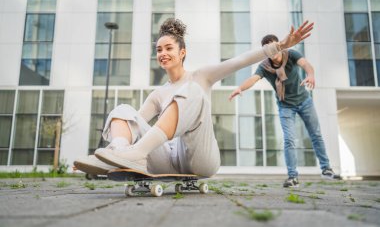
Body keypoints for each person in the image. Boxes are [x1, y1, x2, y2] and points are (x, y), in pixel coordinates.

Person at [74, 18, 313, 178]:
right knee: (124, 110)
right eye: (159, 50)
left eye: (168, 48)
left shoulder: (202, 76)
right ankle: (118, 154)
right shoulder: (158, 94)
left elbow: (239, 61)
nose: (163, 53)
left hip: (201, 158)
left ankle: (130, 155)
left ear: (182, 53)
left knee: (193, 90)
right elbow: (134, 124)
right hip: (168, 159)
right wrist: (116, 147)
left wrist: (279, 46)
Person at [229, 34, 340, 187]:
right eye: (269, 50)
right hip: (285, 106)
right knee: (289, 140)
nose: (273, 53)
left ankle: (326, 169)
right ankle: (292, 177)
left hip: (304, 101)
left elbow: (306, 64)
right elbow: (253, 78)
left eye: (275, 48)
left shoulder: (291, 54)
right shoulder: (264, 66)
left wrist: (311, 75)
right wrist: (240, 88)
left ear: (279, 46)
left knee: (316, 134)